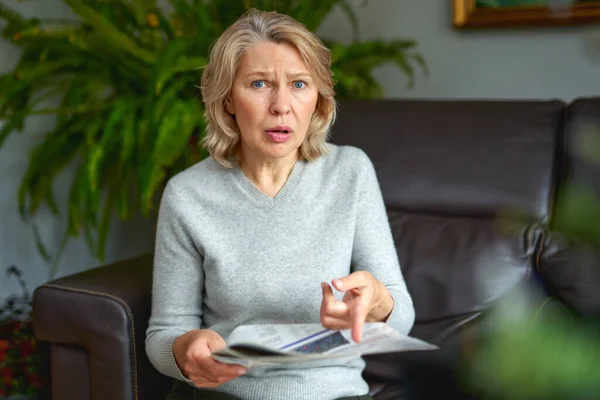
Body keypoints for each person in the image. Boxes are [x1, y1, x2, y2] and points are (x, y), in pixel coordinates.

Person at [145, 8, 415, 400]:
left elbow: (401, 318)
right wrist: (185, 349)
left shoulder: (350, 172)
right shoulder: (188, 195)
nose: (281, 105)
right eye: (259, 84)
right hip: (227, 393)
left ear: (318, 99)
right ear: (227, 100)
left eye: (300, 85)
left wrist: (378, 303)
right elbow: (163, 333)